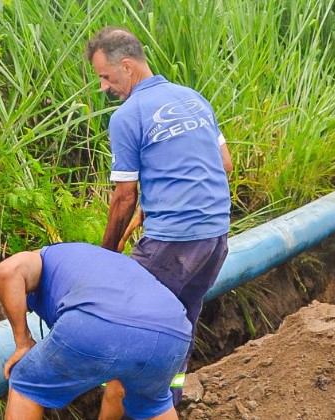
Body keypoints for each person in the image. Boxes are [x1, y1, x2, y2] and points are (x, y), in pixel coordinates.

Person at [85, 27, 231, 409]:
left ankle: (127, 406)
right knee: (180, 320)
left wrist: (106, 253)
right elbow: (225, 165)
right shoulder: (194, 99)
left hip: (174, 240)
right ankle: (171, 398)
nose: (103, 86)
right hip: (215, 237)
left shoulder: (128, 115)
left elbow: (123, 198)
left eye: (105, 76)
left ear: (128, 67)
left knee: (128, 320)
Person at [0, 242, 192, 420]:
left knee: (25, 382)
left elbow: (7, 271)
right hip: (174, 332)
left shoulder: (44, 258)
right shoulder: (95, 262)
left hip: (96, 324)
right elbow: (117, 390)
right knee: (153, 404)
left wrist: (23, 342)